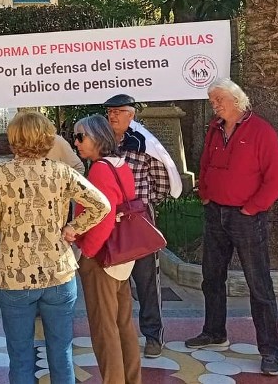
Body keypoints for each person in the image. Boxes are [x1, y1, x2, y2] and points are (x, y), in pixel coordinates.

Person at [0, 111, 111, 384]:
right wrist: (74, 228)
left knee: (20, 356)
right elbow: (102, 205)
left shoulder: (0, 174)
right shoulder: (62, 172)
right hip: (59, 274)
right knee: (61, 351)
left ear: (15, 138)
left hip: (15, 276)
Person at [185, 78, 278, 376]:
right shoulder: (215, 128)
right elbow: (204, 164)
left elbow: (275, 179)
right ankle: (214, 332)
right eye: (212, 100)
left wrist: (252, 208)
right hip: (215, 213)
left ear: (237, 101)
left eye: (218, 100)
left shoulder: (261, 131)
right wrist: (204, 193)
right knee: (211, 277)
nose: (214, 104)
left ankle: (269, 350)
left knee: (259, 285)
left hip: (246, 217)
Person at [103, 93, 182, 358]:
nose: (113, 115)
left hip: (138, 219)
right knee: (112, 278)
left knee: (147, 280)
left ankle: (152, 336)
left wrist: (142, 204)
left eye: (118, 111)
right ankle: (116, 334)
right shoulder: (103, 142)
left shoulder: (144, 144)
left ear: (131, 114)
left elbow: (161, 182)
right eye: (110, 112)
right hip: (109, 219)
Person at [73, 115, 141, 384]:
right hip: (122, 254)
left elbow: (103, 214)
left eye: (81, 137)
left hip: (103, 255)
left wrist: (88, 251)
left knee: (104, 329)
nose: (76, 142)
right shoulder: (120, 164)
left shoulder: (100, 169)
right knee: (123, 324)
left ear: (97, 138)